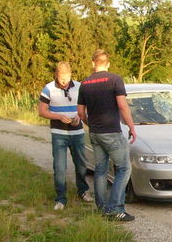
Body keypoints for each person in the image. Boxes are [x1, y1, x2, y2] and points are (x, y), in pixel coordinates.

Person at [77, 49, 137, 221]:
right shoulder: (115, 79)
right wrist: (131, 127)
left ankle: (102, 208)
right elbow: (123, 106)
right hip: (111, 132)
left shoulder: (85, 84)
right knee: (124, 168)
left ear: (92, 63)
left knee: (100, 170)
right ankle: (116, 208)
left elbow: (80, 113)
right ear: (107, 63)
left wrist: (91, 125)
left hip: (95, 133)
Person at [38, 62, 93, 211]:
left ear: (71, 75)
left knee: (81, 165)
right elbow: (42, 111)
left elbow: (85, 107)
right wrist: (58, 117)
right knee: (60, 167)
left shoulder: (80, 86)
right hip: (59, 134)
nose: (64, 82)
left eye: (67, 78)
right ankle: (61, 199)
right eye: (61, 79)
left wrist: (78, 117)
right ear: (56, 75)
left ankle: (83, 191)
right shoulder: (48, 88)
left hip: (77, 132)